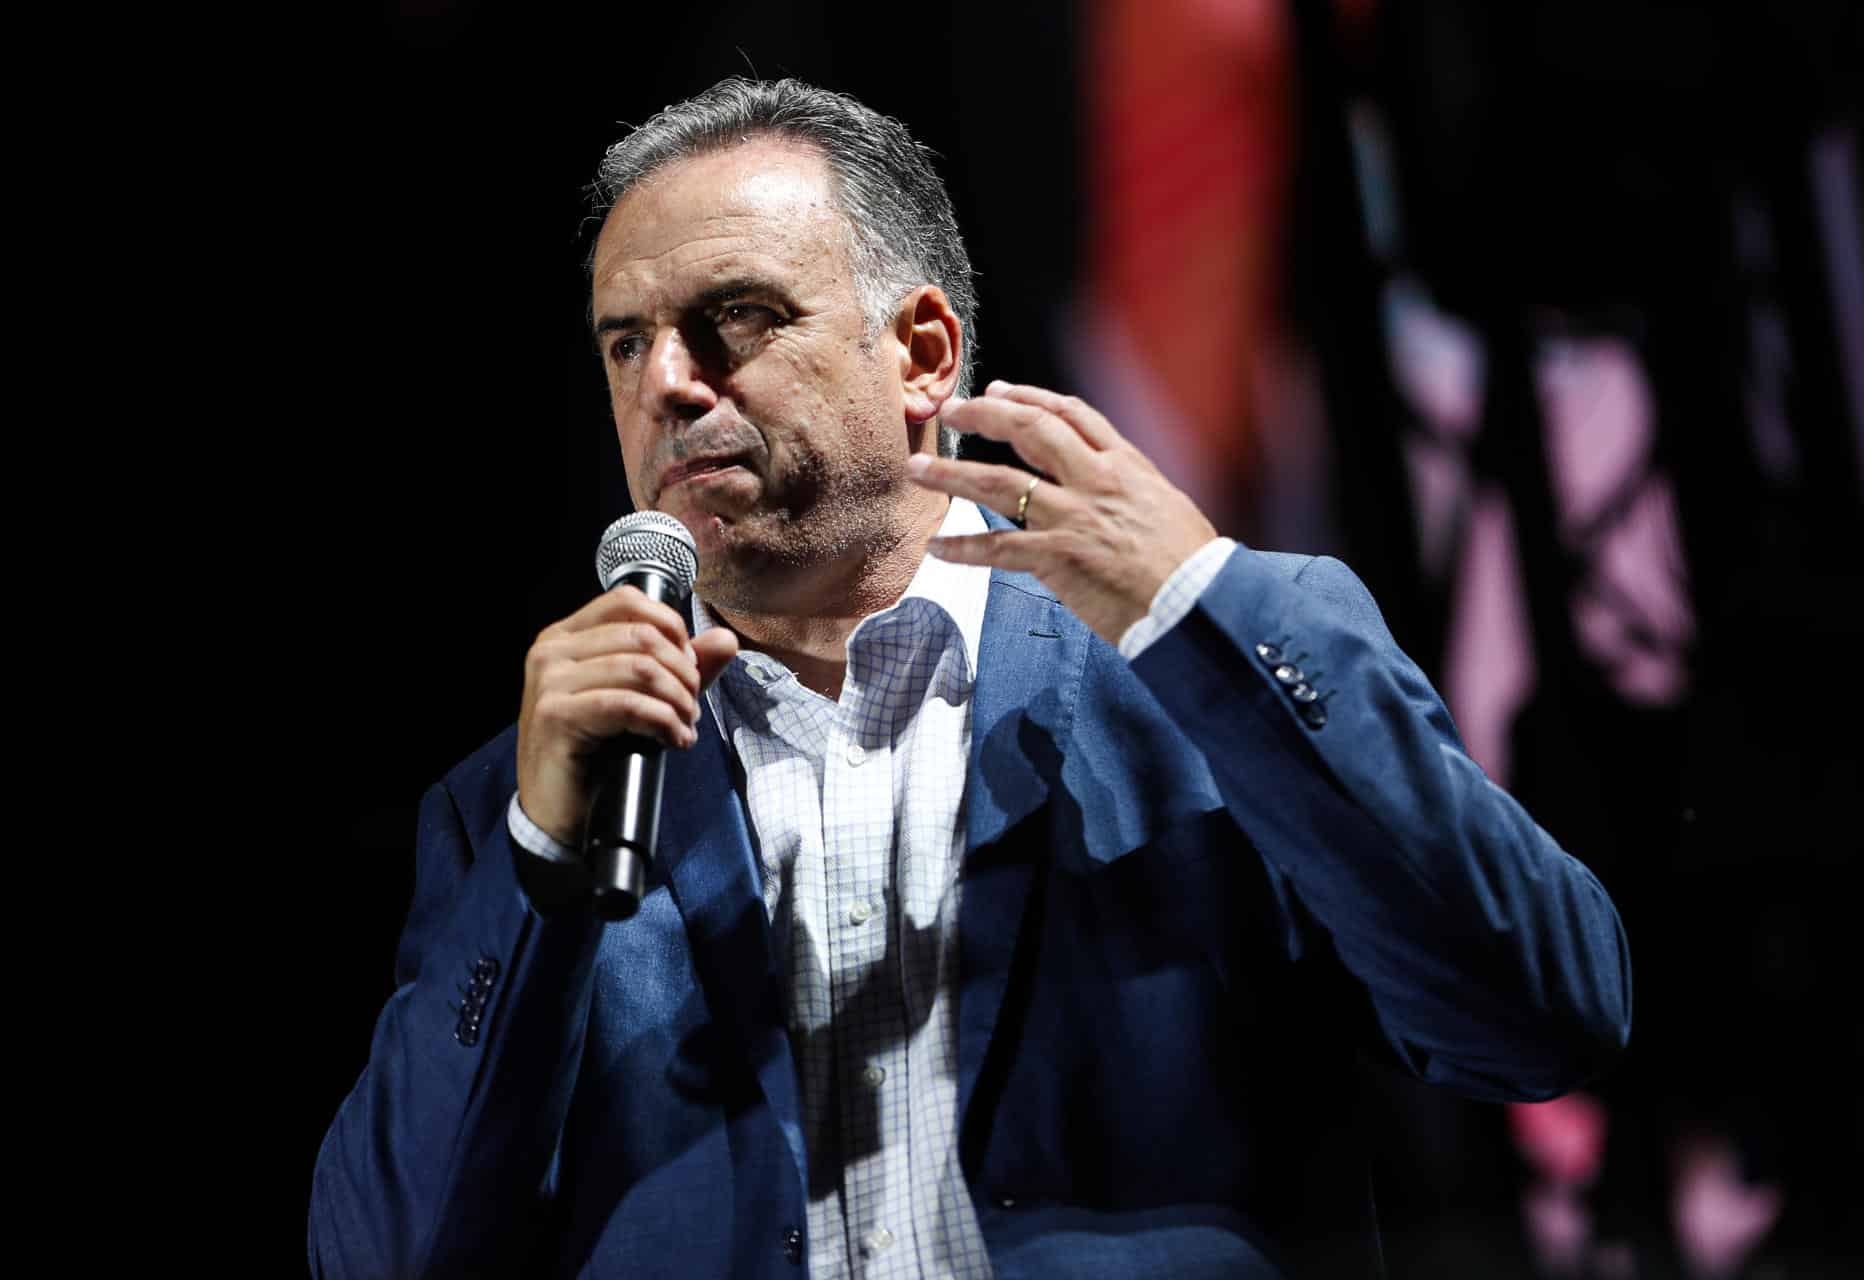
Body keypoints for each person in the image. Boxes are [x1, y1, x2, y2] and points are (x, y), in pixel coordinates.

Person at [310, 78, 1630, 1279]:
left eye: (734, 322)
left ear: (924, 355)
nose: (666, 384)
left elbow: (1541, 1015)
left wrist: (1196, 611)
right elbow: (387, 1261)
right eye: (624, 344)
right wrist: (544, 858)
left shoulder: (1192, 683)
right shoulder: (531, 802)